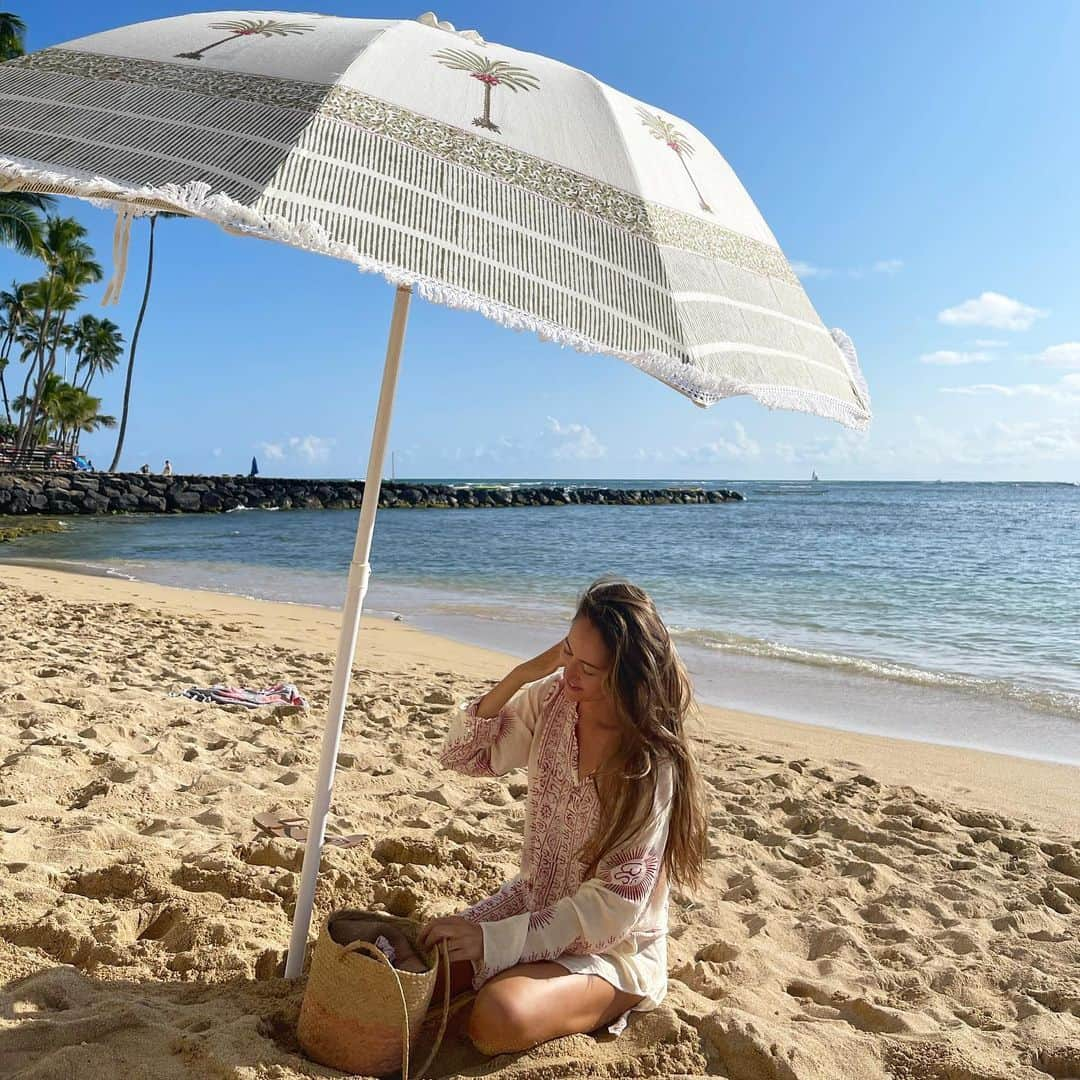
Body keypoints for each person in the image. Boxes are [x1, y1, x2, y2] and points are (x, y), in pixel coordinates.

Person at [418, 579, 707, 1056]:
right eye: (567, 652)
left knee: (499, 1015)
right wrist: (524, 672)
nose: (570, 674)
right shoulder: (552, 699)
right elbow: (463, 756)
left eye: (588, 668)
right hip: (534, 904)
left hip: (612, 948)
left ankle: (548, 990)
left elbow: (612, 912)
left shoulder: (648, 767)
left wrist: (494, 941)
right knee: (430, 960)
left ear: (627, 676)